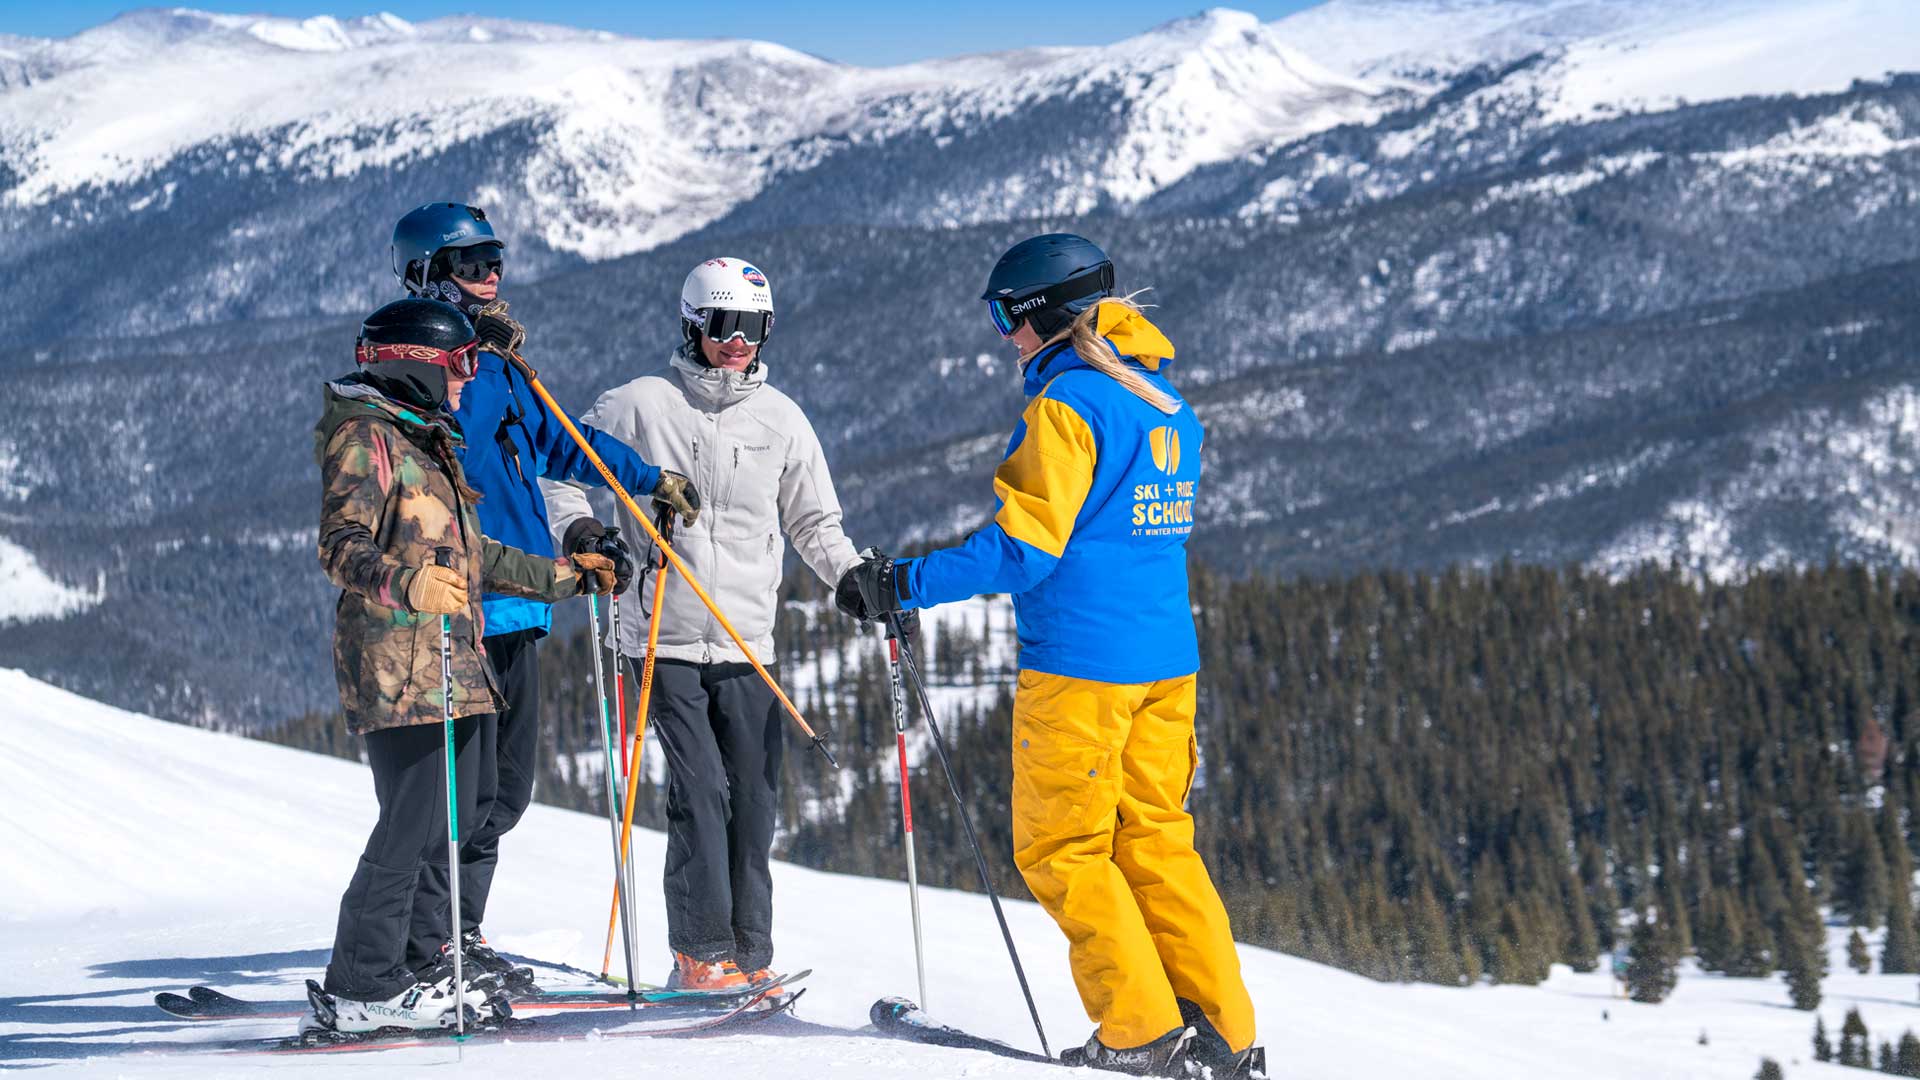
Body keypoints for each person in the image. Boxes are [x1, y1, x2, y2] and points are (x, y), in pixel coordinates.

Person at [837, 235, 1263, 1078]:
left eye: (1007, 316)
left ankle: (1140, 1031)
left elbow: (1024, 550)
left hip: (1082, 667)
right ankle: (1224, 1032)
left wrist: (903, 582)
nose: (1005, 337)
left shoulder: (1068, 405)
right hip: (1166, 662)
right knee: (1156, 842)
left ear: (1043, 313)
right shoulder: (1163, 401)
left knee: (1064, 848)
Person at [388, 203, 700, 988]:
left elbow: (564, 441)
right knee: (460, 795)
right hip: (458, 606)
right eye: (470, 264)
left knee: (504, 793)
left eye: (495, 259)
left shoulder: (495, 366)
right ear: (427, 275)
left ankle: (458, 932)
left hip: (521, 602)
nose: (490, 275)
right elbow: (445, 450)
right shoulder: (429, 372)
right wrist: (471, 352)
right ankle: (428, 945)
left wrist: (646, 478)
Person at [543, 257, 862, 991]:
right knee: (703, 790)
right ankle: (699, 952)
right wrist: (584, 532)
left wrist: (850, 577)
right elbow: (559, 470)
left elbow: (815, 523)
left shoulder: (781, 420)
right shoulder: (640, 405)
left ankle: (748, 956)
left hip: (747, 639)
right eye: (724, 325)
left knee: (753, 796)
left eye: (754, 327)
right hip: (660, 634)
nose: (738, 341)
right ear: (693, 324)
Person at [312, 298, 617, 1032]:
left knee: (468, 808)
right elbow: (340, 545)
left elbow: (478, 555)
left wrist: (568, 577)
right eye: (460, 362)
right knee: (413, 821)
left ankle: (422, 959)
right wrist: (405, 583)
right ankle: (361, 982)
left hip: (457, 659)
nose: (469, 377)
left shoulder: (429, 437)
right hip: (399, 666)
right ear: (415, 364)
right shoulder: (365, 436)